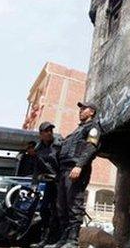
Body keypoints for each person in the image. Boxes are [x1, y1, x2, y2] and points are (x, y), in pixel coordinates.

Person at [46, 102, 101, 248]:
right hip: (64, 171)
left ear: (92, 112)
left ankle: (72, 240)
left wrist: (79, 165)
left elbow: (91, 147)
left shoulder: (93, 128)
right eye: (80, 109)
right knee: (61, 206)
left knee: (74, 205)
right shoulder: (78, 129)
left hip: (75, 170)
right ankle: (63, 240)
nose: (81, 111)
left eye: (84, 109)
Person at [31, 121, 62, 248]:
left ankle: (57, 239)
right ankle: (45, 238)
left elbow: (66, 163)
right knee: (44, 209)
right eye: (46, 131)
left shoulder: (59, 144)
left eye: (51, 130)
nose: (49, 133)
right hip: (49, 182)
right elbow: (37, 168)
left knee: (57, 211)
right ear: (41, 134)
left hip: (61, 182)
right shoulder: (38, 149)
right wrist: (34, 183)